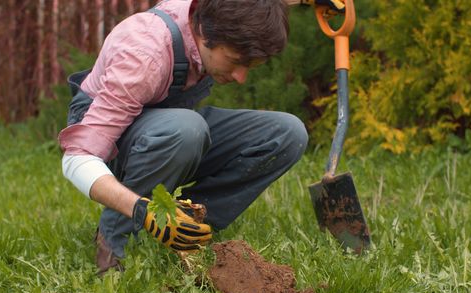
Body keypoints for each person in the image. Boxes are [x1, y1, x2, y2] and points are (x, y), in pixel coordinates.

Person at [58, 0, 311, 275]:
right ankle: (114, 239)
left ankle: (189, 227)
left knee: (287, 134)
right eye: (237, 62)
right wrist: (141, 210)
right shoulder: (144, 54)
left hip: (168, 129)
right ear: (204, 33)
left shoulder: (213, 13)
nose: (241, 77)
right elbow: (77, 158)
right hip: (118, 142)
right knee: (187, 129)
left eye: (251, 65)